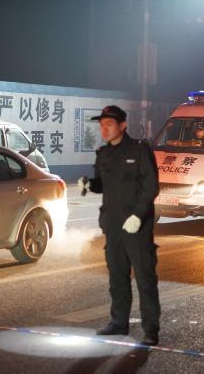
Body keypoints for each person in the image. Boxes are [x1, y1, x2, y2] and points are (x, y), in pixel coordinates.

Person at [77, 105, 161, 346]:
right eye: (101, 125)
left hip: (136, 227)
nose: (104, 129)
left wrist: (138, 215)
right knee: (117, 278)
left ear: (122, 126)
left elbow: (151, 186)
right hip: (113, 227)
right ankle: (118, 323)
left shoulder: (140, 150)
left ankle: (150, 330)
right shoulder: (103, 154)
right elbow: (102, 184)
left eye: (109, 124)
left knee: (145, 279)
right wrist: (89, 184)